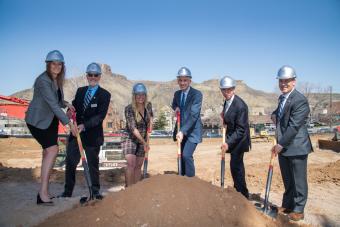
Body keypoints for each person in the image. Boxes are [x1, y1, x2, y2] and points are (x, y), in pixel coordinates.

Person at [25, 50, 76, 205]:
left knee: (48, 152)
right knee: (53, 150)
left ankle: (44, 192)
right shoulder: (43, 80)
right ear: (48, 65)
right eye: (54, 63)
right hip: (39, 121)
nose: (57, 66)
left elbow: (57, 101)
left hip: (50, 121)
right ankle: (42, 194)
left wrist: (66, 103)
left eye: (59, 64)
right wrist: (69, 124)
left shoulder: (56, 80)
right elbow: (53, 105)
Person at [59, 62, 111, 199]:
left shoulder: (105, 95)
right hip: (76, 134)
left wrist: (84, 126)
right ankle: (67, 192)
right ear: (86, 76)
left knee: (93, 165)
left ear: (99, 76)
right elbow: (74, 106)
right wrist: (69, 112)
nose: (92, 77)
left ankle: (95, 192)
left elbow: (100, 116)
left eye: (95, 75)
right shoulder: (80, 91)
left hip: (92, 136)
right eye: (90, 75)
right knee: (70, 162)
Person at [271, 65, 313, 221]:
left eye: (287, 81)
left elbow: (294, 126)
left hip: (296, 146)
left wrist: (280, 144)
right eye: (281, 81)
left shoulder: (300, 100)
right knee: (288, 179)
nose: (283, 84)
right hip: (284, 147)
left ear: (294, 81)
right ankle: (288, 205)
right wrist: (274, 114)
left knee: (299, 180)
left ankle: (299, 209)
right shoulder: (282, 97)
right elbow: (279, 112)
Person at [220, 76, 251, 198]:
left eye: (229, 90)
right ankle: (239, 190)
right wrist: (224, 118)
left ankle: (243, 194)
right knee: (234, 167)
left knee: (237, 167)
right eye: (224, 90)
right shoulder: (227, 101)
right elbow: (229, 117)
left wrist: (228, 143)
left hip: (239, 140)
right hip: (233, 138)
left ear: (233, 89)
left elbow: (241, 129)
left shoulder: (240, 106)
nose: (226, 92)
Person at [172, 67, 203, 177]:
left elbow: (194, 116)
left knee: (186, 155)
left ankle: (190, 182)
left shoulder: (197, 94)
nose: (182, 83)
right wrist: (175, 108)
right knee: (180, 156)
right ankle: (182, 181)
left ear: (190, 81)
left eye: (185, 80)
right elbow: (174, 104)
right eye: (180, 80)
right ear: (178, 81)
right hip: (181, 130)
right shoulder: (177, 94)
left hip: (192, 132)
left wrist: (182, 131)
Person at [122, 83, 153, 187]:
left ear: (145, 95)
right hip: (130, 138)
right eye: (138, 94)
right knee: (131, 163)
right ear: (134, 96)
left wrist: (151, 125)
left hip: (143, 139)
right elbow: (133, 128)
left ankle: (135, 190)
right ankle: (129, 190)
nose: (140, 97)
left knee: (138, 165)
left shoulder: (148, 106)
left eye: (143, 94)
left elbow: (150, 120)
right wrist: (144, 143)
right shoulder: (129, 108)